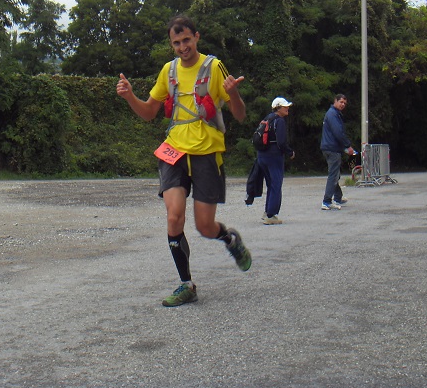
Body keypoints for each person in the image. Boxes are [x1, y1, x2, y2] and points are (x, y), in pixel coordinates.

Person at [116, 15, 252, 307]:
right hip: (174, 150)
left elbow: (239, 115)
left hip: (206, 152)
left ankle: (229, 239)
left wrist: (233, 94)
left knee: (204, 226)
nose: (182, 47)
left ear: (196, 37)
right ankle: (186, 284)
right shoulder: (169, 71)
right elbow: (149, 112)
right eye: (176, 43)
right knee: (174, 215)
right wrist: (129, 97)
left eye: (186, 40)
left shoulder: (213, 67)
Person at [257, 97, 295, 224]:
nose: (287, 108)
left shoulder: (267, 118)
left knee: (270, 184)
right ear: (278, 107)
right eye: (285, 106)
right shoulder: (279, 121)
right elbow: (281, 141)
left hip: (262, 155)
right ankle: (271, 215)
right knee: (276, 184)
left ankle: (266, 212)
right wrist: (290, 152)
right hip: (274, 156)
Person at [320, 93, 356, 210]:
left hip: (330, 148)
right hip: (332, 149)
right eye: (341, 102)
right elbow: (338, 133)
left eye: (345, 103)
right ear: (335, 101)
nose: (343, 105)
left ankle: (338, 197)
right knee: (333, 175)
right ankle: (326, 201)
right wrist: (348, 146)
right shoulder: (333, 114)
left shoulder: (334, 114)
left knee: (335, 174)